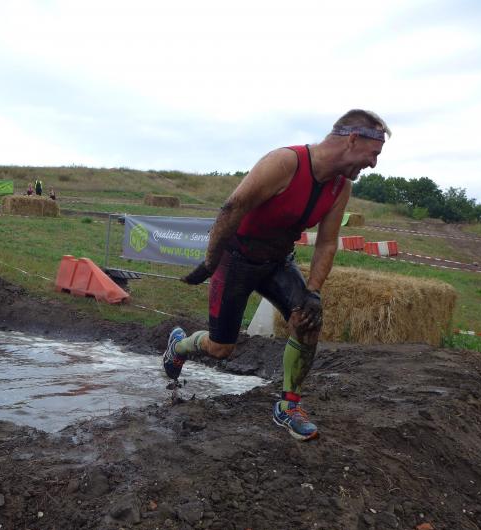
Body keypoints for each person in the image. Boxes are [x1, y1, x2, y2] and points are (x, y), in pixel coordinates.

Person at [162, 109, 390, 441]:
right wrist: (210, 262)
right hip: (235, 261)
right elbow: (232, 207)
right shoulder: (285, 163)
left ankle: (288, 407)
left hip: (277, 262)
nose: (373, 164)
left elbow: (327, 242)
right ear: (353, 139)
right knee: (221, 348)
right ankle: (179, 347)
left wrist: (312, 292)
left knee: (308, 319)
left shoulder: (341, 187)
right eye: (374, 153)